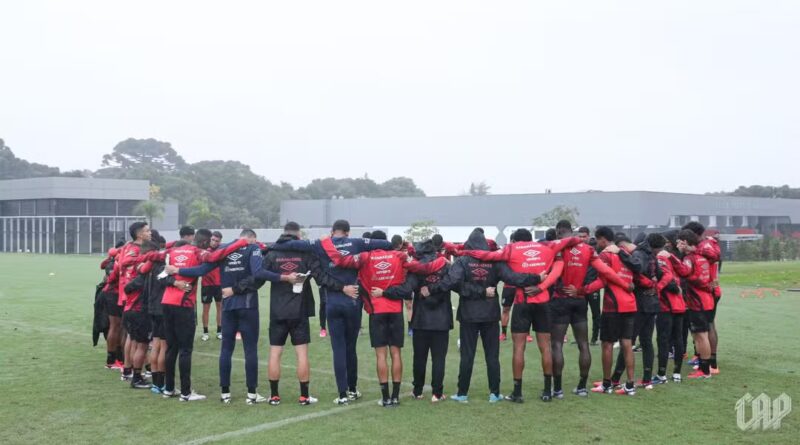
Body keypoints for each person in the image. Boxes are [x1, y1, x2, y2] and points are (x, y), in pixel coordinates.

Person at [267, 220, 393, 405]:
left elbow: (289, 244)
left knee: (338, 349)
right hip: (352, 301)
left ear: (332, 232)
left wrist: (268, 246)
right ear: (348, 232)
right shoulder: (357, 242)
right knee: (350, 348)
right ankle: (352, 390)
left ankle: (342, 395)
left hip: (332, 303)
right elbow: (386, 244)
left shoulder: (320, 244)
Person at [320, 230, 446, 407]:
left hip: (376, 311)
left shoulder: (365, 257)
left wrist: (326, 242)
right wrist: (442, 259)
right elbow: (423, 268)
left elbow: (340, 260)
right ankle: (395, 397)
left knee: (381, 355)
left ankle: (385, 397)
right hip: (395, 310)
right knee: (396, 353)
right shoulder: (399, 256)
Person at [457, 228, 581, 402]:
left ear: (516, 240)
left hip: (523, 301)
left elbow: (488, 256)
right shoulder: (547, 246)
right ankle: (547, 391)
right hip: (543, 301)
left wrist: (466, 252)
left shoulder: (512, 248)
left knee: (519, 347)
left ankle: (517, 392)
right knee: (546, 347)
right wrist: (541, 286)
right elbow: (573, 241)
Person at [174, 229, 295, 404]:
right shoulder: (253, 248)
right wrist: (285, 277)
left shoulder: (224, 249)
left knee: (226, 349)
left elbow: (201, 270)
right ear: (251, 238)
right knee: (250, 349)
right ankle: (251, 394)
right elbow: (258, 273)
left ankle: (225, 394)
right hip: (247, 306)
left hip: (228, 307)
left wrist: (176, 269)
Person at [428, 228, 541, 403]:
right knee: (492, 355)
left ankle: (462, 393)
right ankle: (494, 393)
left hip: (469, 314)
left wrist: (431, 289)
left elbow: (451, 282)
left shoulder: (463, 261)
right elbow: (513, 278)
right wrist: (537, 278)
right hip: (490, 314)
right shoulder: (494, 261)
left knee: (467, 355)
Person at [256, 222, 340, 406]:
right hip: (299, 311)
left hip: (277, 311)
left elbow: (258, 276)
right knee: (302, 354)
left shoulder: (271, 253)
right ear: (298, 235)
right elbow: (321, 278)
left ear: (284, 233)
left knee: (275, 353)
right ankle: (304, 397)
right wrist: (341, 286)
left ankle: (274, 396)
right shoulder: (305, 253)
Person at [159, 229, 249, 402]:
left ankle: (168, 389)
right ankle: (186, 393)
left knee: (171, 348)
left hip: (166, 302)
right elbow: (215, 257)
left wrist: (174, 280)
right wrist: (240, 242)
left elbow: (160, 274)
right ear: (205, 242)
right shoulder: (197, 252)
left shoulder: (174, 250)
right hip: (183, 304)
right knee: (185, 349)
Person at [551, 221, 632, 398]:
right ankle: (581, 387)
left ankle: (557, 389)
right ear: (572, 231)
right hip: (579, 299)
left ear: (558, 232)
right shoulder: (588, 249)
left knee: (557, 344)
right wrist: (625, 284)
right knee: (583, 344)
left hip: (560, 299)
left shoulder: (557, 247)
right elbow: (607, 272)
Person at [383, 239, 451, 402]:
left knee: (419, 357)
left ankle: (417, 390)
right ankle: (437, 393)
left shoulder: (416, 268)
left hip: (421, 319)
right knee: (439, 358)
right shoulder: (445, 265)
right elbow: (453, 283)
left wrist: (385, 291)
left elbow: (406, 290)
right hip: (441, 320)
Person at [588, 226, 638, 396]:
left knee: (607, 344)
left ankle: (606, 384)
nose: (597, 243)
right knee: (627, 344)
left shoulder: (605, 255)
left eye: (597, 240)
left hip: (613, 305)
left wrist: (582, 290)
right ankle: (630, 384)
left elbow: (603, 280)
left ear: (603, 239)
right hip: (630, 303)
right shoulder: (626, 253)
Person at [608, 232, 660, 391]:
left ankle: (615, 379)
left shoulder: (637, 254)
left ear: (621, 245)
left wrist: (621, 254)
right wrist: (653, 283)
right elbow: (660, 274)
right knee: (646, 341)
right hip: (652, 303)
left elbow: (637, 271)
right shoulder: (651, 255)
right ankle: (646, 379)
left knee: (628, 341)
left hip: (641, 303)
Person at [668, 229, 715, 379]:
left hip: (697, 302)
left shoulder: (690, 258)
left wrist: (671, 258)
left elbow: (685, 272)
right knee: (699, 335)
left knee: (701, 335)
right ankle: (703, 367)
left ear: (685, 242)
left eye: (679, 242)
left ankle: (705, 371)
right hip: (706, 300)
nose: (677, 245)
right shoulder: (702, 256)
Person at [683, 222, 722, 374]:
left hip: (708, 290)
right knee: (705, 327)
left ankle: (712, 363)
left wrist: (693, 250)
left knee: (707, 327)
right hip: (708, 288)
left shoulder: (705, 245)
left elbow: (715, 256)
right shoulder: (706, 245)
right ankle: (705, 360)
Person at [652, 234, 686, 384]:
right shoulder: (674, 257)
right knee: (677, 338)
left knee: (664, 339)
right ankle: (677, 374)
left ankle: (662, 375)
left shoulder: (661, 257)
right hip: (679, 304)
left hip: (667, 305)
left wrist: (657, 288)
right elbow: (684, 272)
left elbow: (667, 278)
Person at [100, 240, 126, 370]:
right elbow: (111, 278)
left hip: (115, 295)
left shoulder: (115, 261)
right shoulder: (113, 263)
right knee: (116, 326)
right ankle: (112, 360)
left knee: (119, 327)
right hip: (113, 295)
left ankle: (118, 358)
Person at [200, 231, 224, 342]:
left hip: (219, 284)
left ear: (220, 242)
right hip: (206, 284)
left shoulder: (222, 251)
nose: (214, 242)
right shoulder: (204, 251)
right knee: (206, 309)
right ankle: (205, 332)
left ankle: (220, 331)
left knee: (220, 307)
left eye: (216, 241)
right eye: (213, 240)